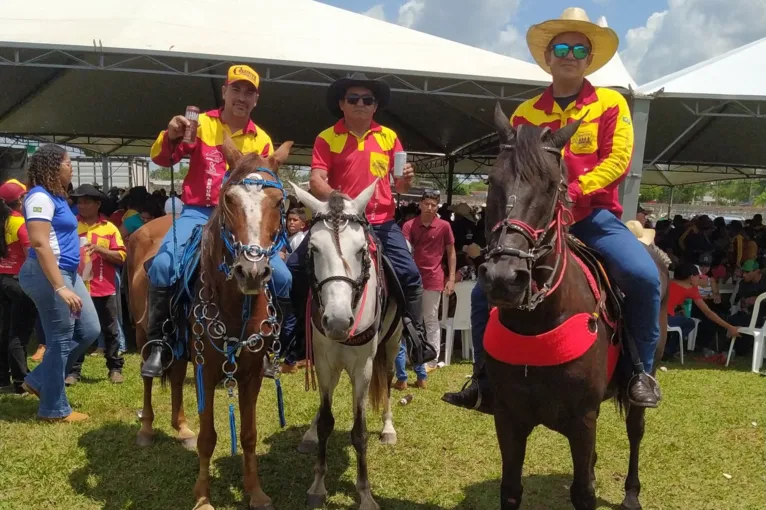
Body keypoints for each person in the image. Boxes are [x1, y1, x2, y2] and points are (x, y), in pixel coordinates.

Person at [444, 7, 663, 411]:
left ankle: (639, 372)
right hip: (537, 226)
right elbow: (513, 170)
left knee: (643, 276)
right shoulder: (526, 114)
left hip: (593, 219)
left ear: (589, 58)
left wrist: (575, 190)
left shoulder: (610, 103)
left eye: (580, 48)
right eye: (561, 46)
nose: (570, 54)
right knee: (481, 295)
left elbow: (619, 160)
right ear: (548, 57)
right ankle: (484, 380)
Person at [142, 64, 292, 378]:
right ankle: (159, 343)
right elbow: (164, 158)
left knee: (282, 277)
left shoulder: (261, 139)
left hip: (240, 220)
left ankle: (269, 342)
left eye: (248, 92)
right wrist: (170, 136)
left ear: (256, 99)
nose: (241, 96)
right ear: (224, 92)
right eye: (235, 89)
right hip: (198, 212)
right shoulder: (201, 124)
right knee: (163, 266)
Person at [285, 72, 431, 368]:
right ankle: (297, 342)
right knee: (293, 269)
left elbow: (400, 186)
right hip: (338, 223)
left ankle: (416, 341)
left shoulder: (389, 137)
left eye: (368, 99)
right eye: (354, 99)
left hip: (381, 223)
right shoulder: (327, 137)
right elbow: (316, 180)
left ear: (375, 106)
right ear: (342, 104)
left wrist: (405, 182)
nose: (361, 104)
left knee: (411, 277)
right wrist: (343, 202)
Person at [19, 144, 100, 422]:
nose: (71, 167)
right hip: (47, 274)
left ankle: (41, 379)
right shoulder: (38, 197)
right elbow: (40, 243)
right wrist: (59, 287)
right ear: (54, 166)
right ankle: (54, 409)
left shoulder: (58, 197)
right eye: (68, 162)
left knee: (89, 329)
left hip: (67, 273)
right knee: (60, 338)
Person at [64, 184, 127, 385]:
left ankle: (115, 368)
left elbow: (122, 256)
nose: (81, 205)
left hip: (104, 286)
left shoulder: (109, 228)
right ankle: (73, 371)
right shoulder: (71, 226)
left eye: (86, 202)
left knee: (110, 330)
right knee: (76, 329)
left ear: (98, 204)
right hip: (77, 288)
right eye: (79, 201)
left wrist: (100, 250)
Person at [399, 188, 456, 388]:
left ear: (437, 206)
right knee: (410, 320)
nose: (430, 208)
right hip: (413, 278)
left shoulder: (444, 226)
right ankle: (409, 357)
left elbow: (451, 252)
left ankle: (431, 359)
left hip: (434, 278)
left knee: (430, 319)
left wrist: (451, 277)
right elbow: (404, 251)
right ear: (421, 204)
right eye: (427, 204)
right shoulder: (409, 225)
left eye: (433, 205)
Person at [0, 180, 38, 395]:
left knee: (5, 330)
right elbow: (31, 257)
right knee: (19, 334)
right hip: (19, 282)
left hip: (2, 279)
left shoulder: (2, 221)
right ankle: (20, 381)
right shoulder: (21, 224)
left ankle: (3, 379)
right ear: (21, 200)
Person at [665, 263, 739, 358]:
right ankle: (669, 350)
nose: (699, 280)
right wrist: (729, 327)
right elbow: (708, 312)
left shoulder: (668, 282)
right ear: (691, 277)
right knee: (689, 323)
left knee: (681, 321)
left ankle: (668, 348)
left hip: (654, 315)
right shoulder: (691, 289)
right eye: (698, 277)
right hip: (664, 318)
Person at [728, 260, 766, 357]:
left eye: (747, 272)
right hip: (748, 315)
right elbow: (741, 302)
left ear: (757, 271)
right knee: (732, 319)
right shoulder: (743, 284)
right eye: (743, 272)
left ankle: (731, 349)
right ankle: (734, 350)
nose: (744, 275)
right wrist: (745, 302)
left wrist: (758, 300)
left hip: (762, 317)